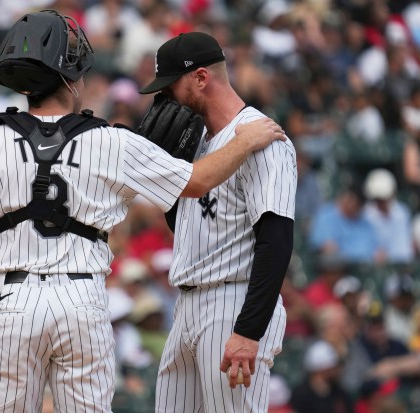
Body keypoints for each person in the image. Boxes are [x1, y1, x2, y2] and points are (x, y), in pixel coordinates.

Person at [0, 10, 285, 413]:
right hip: (82, 300)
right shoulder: (111, 141)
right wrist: (244, 141)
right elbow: (197, 182)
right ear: (72, 79)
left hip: (13, 301)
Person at [139, 31, 296, 412]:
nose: (165, 98)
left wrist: (247, 331)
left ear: (201, 78)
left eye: (170, 85)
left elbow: (276, 240)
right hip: (188, 304)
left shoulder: (261, 138)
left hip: (232, 302)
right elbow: (192, 228)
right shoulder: (199, 144)